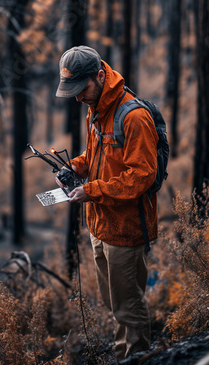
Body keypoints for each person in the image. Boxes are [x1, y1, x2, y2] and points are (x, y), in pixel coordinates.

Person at [55, 45, 158, 361]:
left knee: (129, 302)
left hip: (126, 230)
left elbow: (141, 176)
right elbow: (96, 156)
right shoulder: (95, 108)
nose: (77, 97)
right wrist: (74, 167)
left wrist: (92, 190)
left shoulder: (134, 117)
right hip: (99, 225)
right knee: (115, 301)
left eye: (81, 88)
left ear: (100, 76)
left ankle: (138, 356)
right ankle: (121, 352)